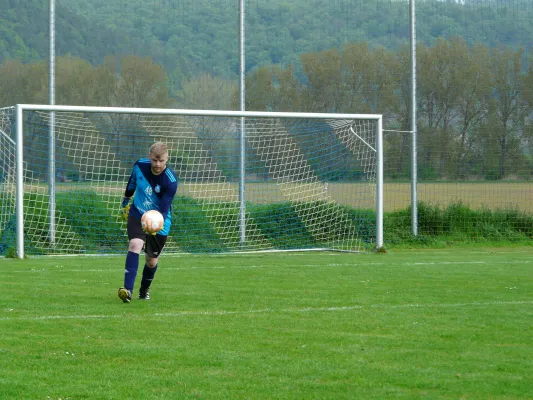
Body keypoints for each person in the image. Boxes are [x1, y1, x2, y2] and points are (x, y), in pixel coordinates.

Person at [118, 142, 178, 303]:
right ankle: (127, 290)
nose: (158, 165)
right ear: (149, 157)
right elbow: (132, 183)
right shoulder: (139, 165)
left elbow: (164, 209)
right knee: (135, 245)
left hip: (159, 219)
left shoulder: (170, 181)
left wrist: (155, 224)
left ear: (167, 159)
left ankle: (144, 290)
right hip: (137, 212)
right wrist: (126, 200)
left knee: (151, 261)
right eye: (154, 160)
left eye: (162, 161)